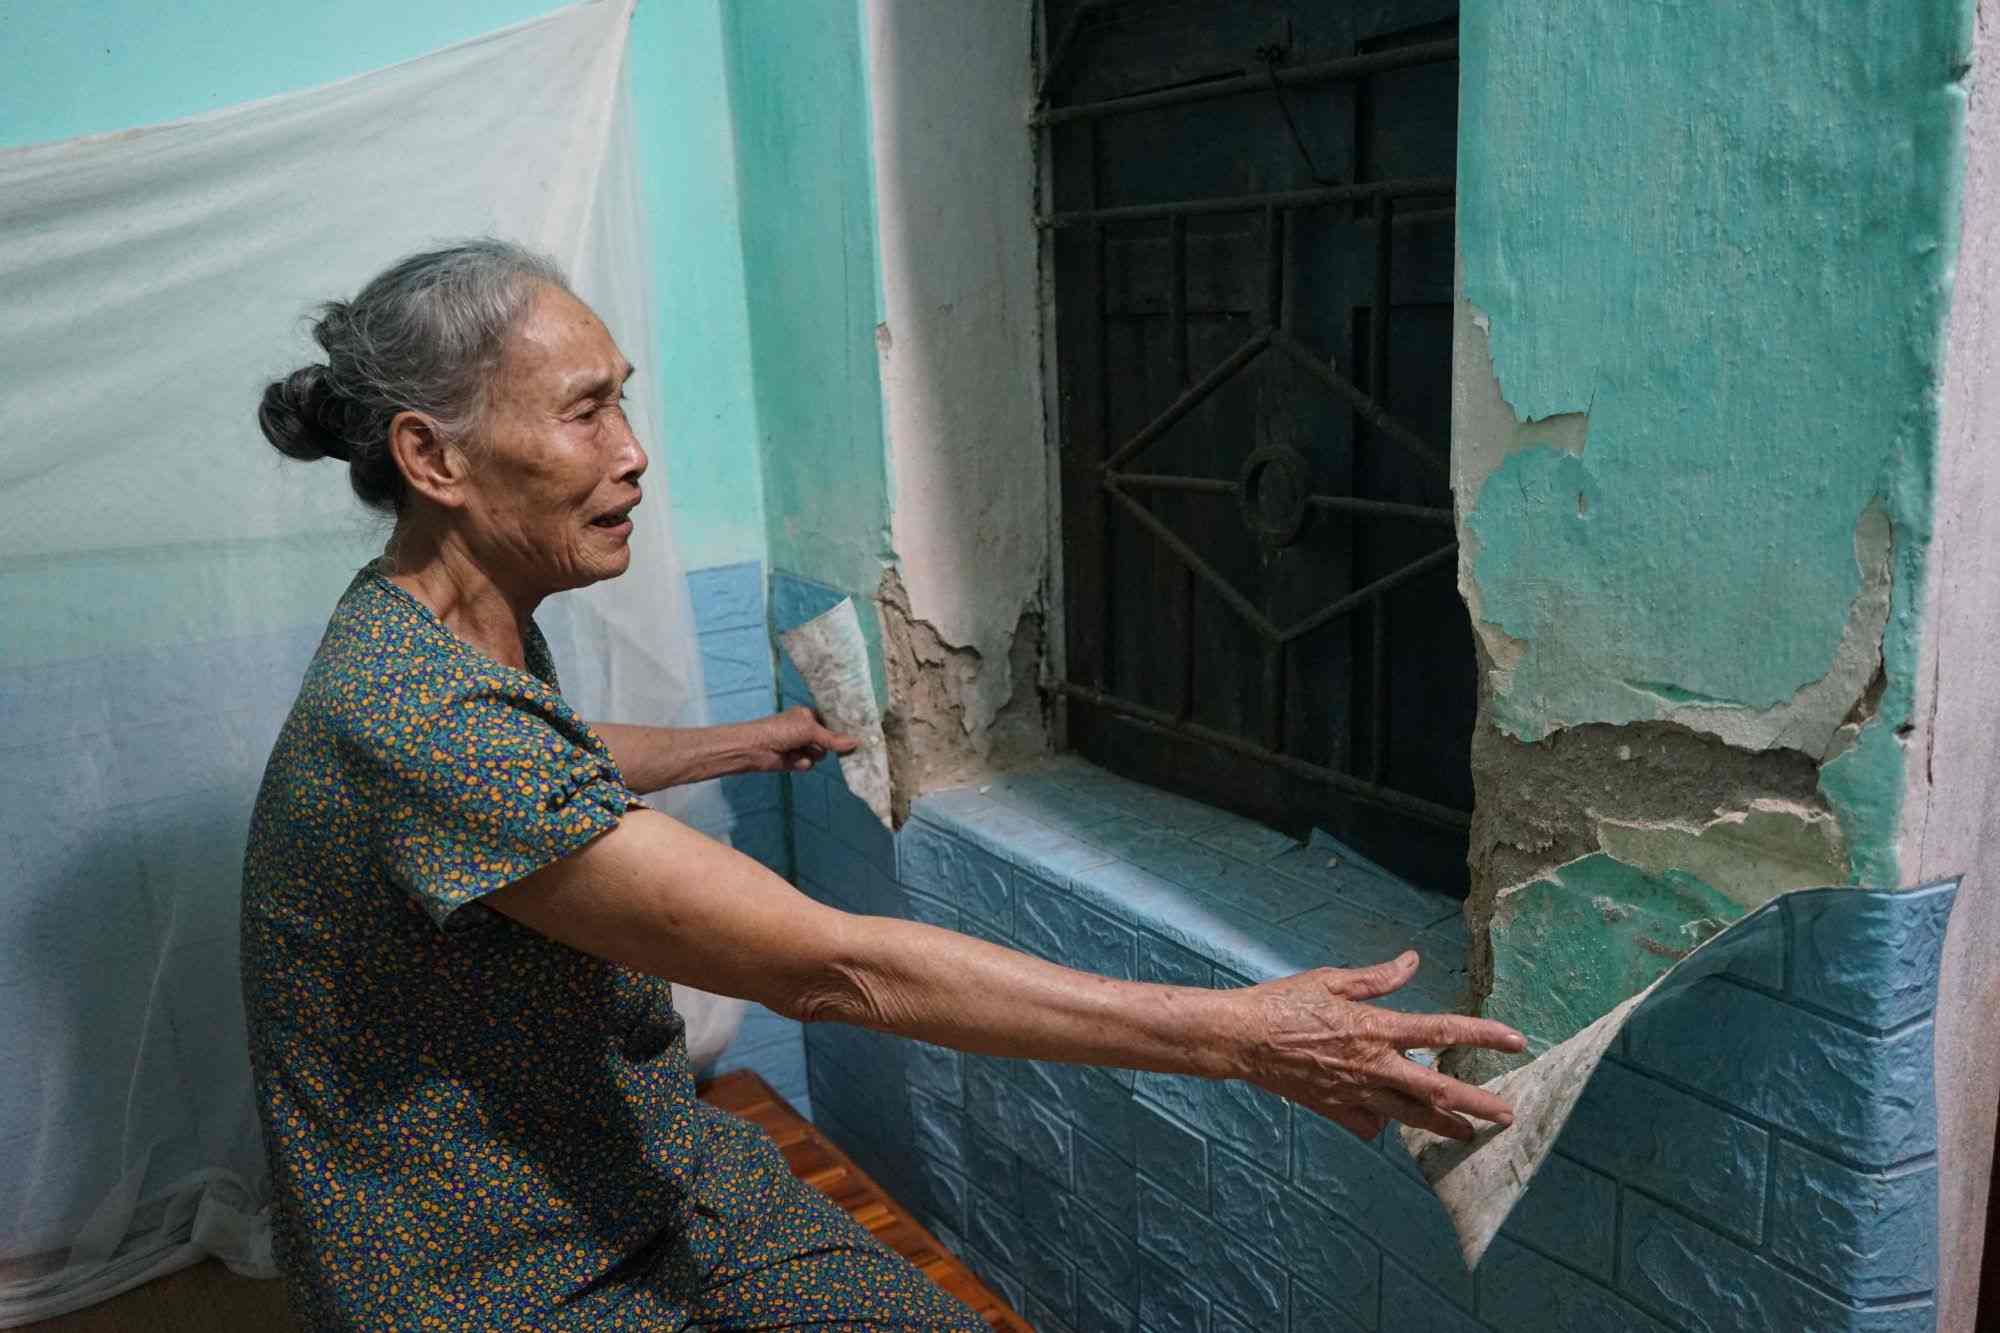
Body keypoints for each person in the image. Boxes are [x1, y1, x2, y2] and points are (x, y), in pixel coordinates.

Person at [242, 239, 1523, 1332]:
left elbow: (547, 758)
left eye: (625, 401)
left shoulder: (456, 625)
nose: (633, 453)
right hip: (495, 1269)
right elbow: (830, 970)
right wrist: (1247, 1034)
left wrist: (742, 741)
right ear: (435, 456)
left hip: (641, 1168)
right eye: (584, 413)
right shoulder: (411, 716)